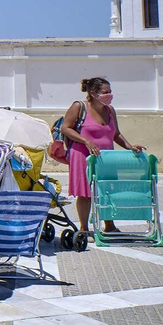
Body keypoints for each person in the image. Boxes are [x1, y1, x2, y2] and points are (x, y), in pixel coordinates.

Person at [59, 77, 145, 233]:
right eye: (106, 92)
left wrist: (130, 146)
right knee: (85, 193)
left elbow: (116, 134)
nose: (109, 95)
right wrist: (86, 141)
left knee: (107, 190)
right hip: (82, 155)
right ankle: (84, 228)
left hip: (106, 157)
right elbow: (66, 128)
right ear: (93, 93)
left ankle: (109, 225)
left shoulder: (110, 110)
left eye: (110, 91)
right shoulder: (79, 107)